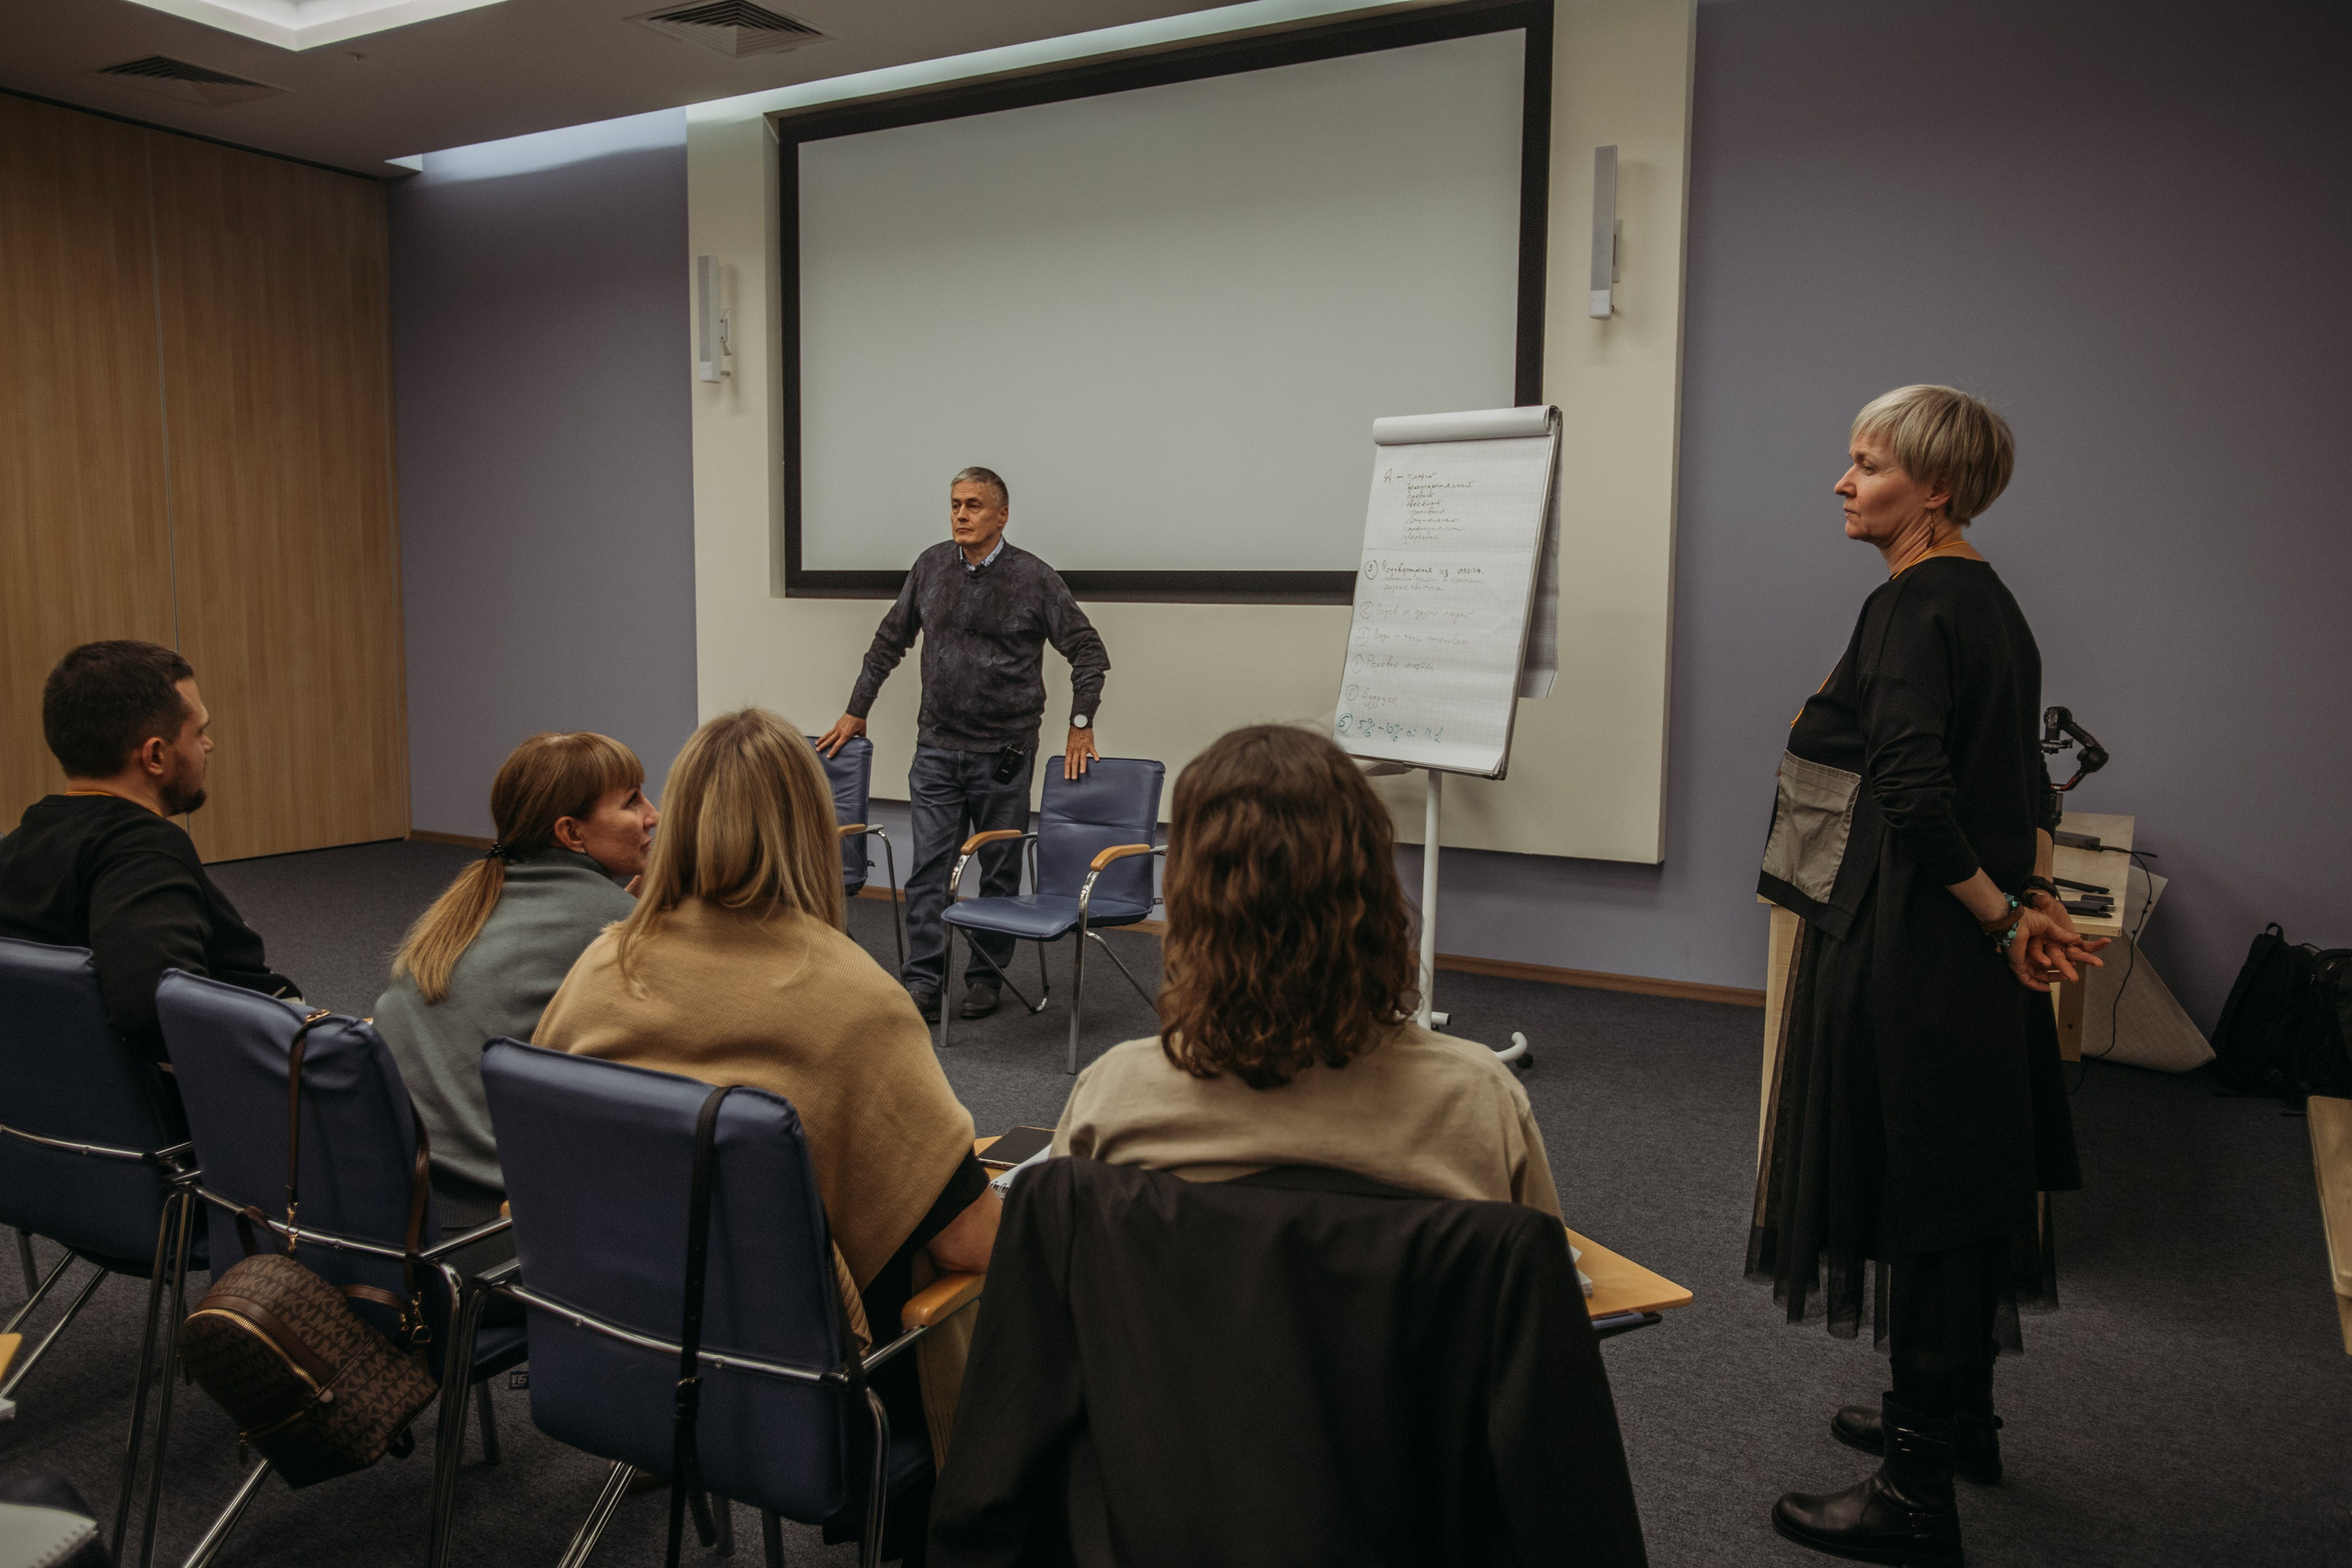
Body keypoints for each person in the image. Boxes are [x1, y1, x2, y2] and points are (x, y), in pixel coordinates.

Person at [1747, 385, 2108, 1566]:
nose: (1843, 483)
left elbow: (1910, 788)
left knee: (1929, 1196)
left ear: (1933, 489)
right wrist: (2026, 907)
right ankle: (1951, 1427)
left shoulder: (1910, 603)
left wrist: (2004, 923)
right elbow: (2014, 784)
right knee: (1958, 1185)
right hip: (1968, 944)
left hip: (1918, 946)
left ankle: (1912, 1497)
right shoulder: (1989, 599)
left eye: (1867, 465)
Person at [536, 708, 996, 1557]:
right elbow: (972, 1244)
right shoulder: (852, 998)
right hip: (801, 1399)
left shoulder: (602, 964)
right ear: (813, 831)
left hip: (613, 1355)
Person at [1052, 724, 1559, 1215]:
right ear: (1377, 894)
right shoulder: (1477, 1102)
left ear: (1190, 902)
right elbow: (1540, 1286)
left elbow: (1048, 1278)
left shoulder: (1111, 1100)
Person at [815, 467, 1111, 1026]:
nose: (961, 515)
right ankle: (924, 980)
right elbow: (888, 641)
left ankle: (985, 977)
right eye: (954, 504)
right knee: (927, 867)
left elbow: (1089, 651)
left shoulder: (1034, 578)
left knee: (998, 869)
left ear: (1001, 516)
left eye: (974, 505)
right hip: (937, 749)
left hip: (1004, 754)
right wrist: (858, 709)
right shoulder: (930, 567)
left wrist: (1080, 722)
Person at [372, 732, 656, 1228]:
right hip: (495, 1224)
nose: (652, 814)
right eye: (632, 801)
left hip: (401, 1203)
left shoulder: (465, 903)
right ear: (571, 834)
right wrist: (638, 918)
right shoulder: (614, 924)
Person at [0, 641, 298, 1060]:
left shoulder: (19, 843)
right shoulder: (143, 851)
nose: (208, 745)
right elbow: (159, 1010)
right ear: (156, 754)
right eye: (199, 732)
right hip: (224, 1096)